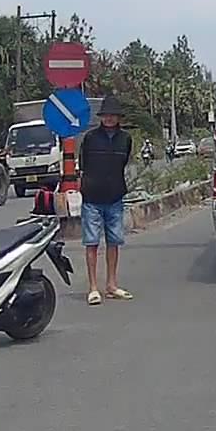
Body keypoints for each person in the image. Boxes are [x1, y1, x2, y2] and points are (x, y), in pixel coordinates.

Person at [79, 95, 134, 305]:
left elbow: (123, 162)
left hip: (115, 197)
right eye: (106, 115)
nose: (109, 118)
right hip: (92, 198)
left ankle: (111, 284)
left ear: (118, 117)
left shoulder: (125, 139)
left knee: (114, 242)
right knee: (91, 242)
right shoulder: (90, 138)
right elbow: (83, 164)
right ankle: (93, 287)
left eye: (113, 115)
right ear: (101, 117)